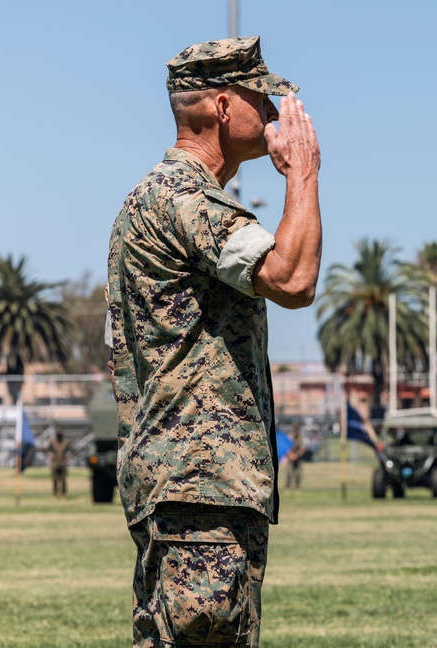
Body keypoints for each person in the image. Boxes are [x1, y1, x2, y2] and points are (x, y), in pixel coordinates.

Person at [106, 36, 321, 648]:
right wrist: (301, 173)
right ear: (224, 107)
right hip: (200, 483)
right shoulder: (185, 199)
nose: (277, 115)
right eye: (263, 99)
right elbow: (293, 276)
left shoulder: (155, 198)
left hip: (189, 484)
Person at [45, 430, 71, 498]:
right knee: (55, 479)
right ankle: (55, 494)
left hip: (63, 462)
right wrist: (50, 456)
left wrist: (67, 457)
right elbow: (46, 450)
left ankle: (63, 494)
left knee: (63, 479)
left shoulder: (65, 442)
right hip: (55, 462)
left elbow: (71, 450)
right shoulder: (52, 442)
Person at [284, 425, 306, 490]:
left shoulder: (300, 438)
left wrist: (297, 455)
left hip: (298, 457)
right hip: (290, 457)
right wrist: (291, 455)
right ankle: (288, 486)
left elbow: (302, 448)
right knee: (289, 472)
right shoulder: (289, 437)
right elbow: (286, 447)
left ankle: (297, 486)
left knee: (298, 473)